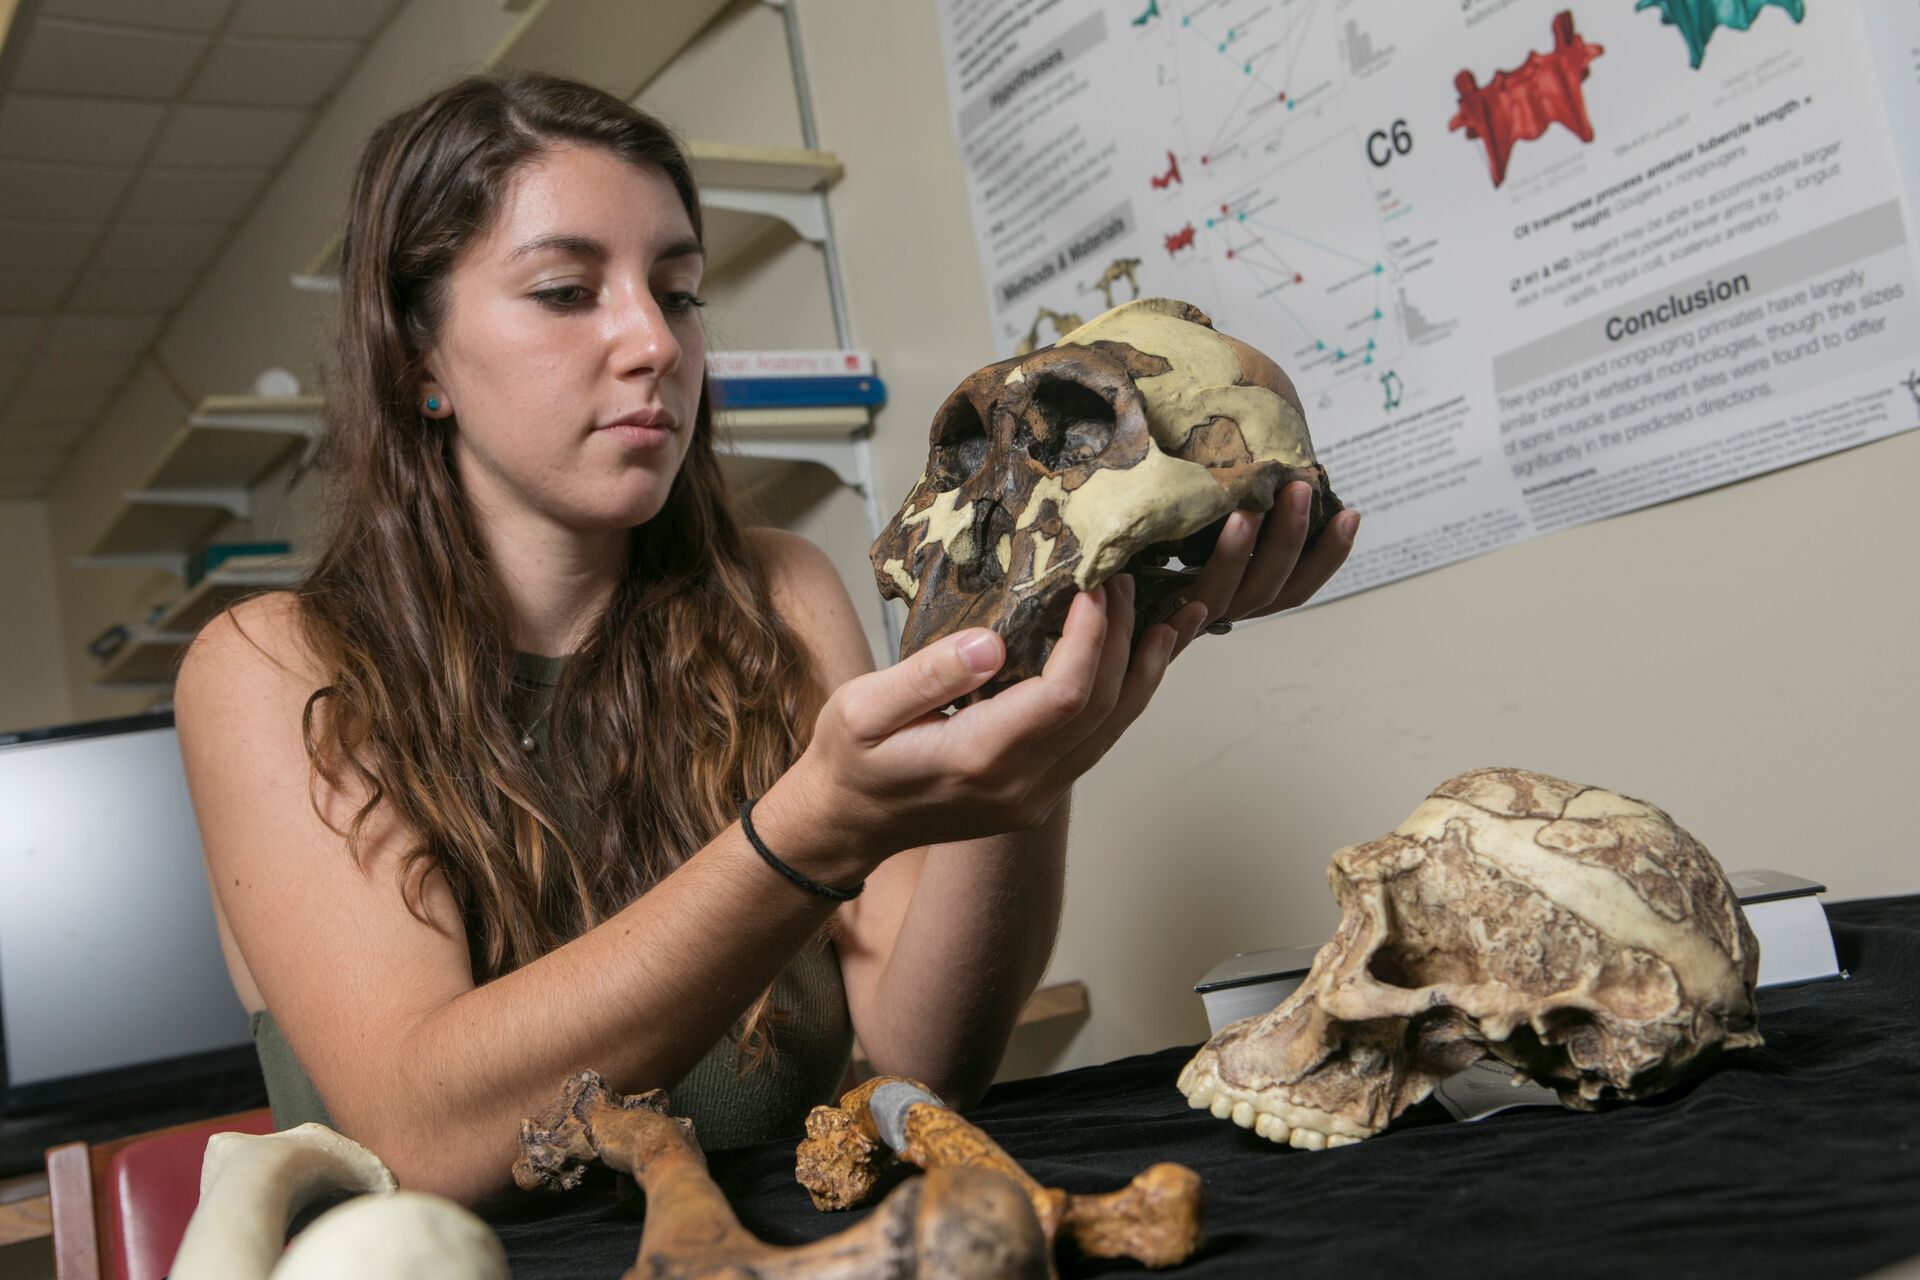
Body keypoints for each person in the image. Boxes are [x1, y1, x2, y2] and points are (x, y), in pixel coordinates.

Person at [175, 73, 1358, 1206]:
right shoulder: (274, 666)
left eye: (679, 291)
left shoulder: (776, 596)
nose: (655, 343)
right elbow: (427, 1133)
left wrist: (1029, 711)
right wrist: (808, 831)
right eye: (565, 291)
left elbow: (921, 1055)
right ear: (418, 358)